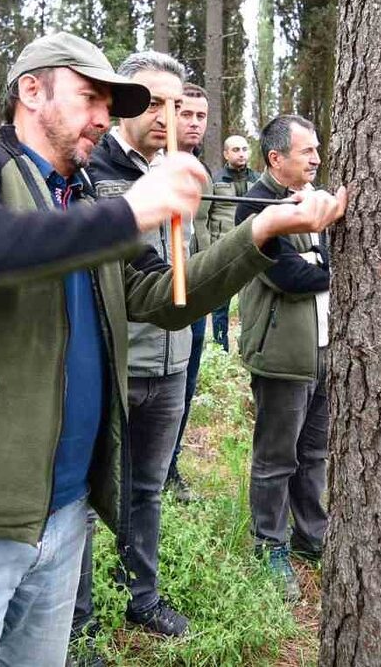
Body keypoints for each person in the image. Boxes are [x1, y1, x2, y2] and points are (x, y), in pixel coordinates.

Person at [0, 32, 346, 667]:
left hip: (65, 511)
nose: (103, 116)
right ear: (31, 90)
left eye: (109, 104)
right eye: (90, 97)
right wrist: (134, 210)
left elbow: (161, 296)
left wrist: (261, 230)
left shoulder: (85, 198)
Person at [76, 52, 193, 640]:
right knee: (85, 494)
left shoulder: (180, 168)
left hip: (171, 360)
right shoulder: (92, 169)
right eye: (150, 101)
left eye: (174, 103)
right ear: (124, 103)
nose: (163, 115)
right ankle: (77, 621)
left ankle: (139, 596)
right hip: (111, 359)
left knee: (147, 486)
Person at [234, 114, 332, 603]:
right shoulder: (253, 203)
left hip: (323, 352)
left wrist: (321, 263)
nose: (316, 158)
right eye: (306, 151)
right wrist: (324, 266)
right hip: (281, 352)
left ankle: (312, 536)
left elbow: (326, 264)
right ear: (277, 158)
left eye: (316, 150)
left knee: (314, 453)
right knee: (276, 457)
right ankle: (269, 546)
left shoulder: (318, 201)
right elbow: (289, 276)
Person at [167, 83, 211, 503]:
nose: (194, 123)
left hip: (197, 295)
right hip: (156, 293)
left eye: (201, 116)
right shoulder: (152, 169)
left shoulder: (203, 172)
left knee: (187, 381)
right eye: (187, 114)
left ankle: (170, 465)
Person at [208, 134, 260, 349]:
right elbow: (205, 215)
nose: (241, 153)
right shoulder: (215, 180)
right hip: (223, 249)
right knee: (220, 304)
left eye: (245, 149)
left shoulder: (258, 180)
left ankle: (248, 346)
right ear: (226, 154)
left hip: (252, 248)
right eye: (236, 149)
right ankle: (221, 347)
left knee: (252, 302)